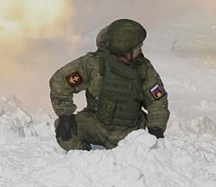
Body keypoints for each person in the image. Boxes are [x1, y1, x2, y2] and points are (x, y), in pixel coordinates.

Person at [49, 18, 169, 151]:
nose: (140, 50)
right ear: (124, 50)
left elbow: (157, 101)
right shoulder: (94, 64)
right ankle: (86, 159)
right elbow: (60, 81)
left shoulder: (144, 68)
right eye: (137, 48)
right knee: (65, 132)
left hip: (131, 133)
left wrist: (156, 128)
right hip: (97, 125)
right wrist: (65, 114)